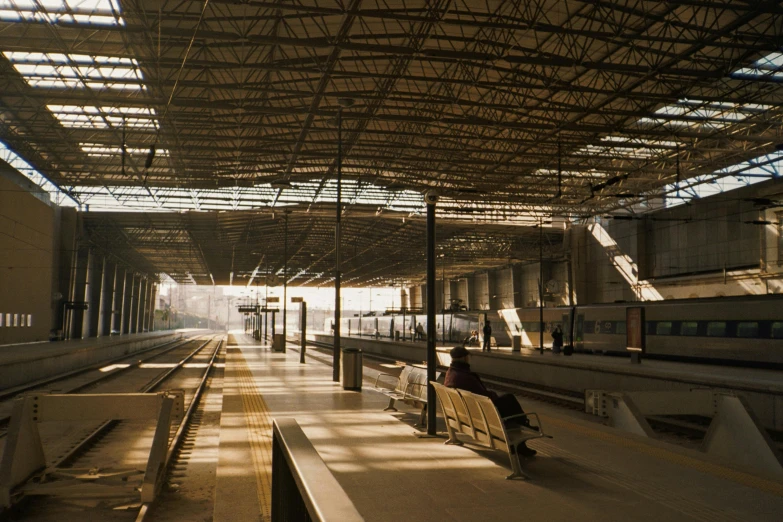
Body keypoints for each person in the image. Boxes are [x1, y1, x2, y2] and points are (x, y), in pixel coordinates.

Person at [444, 346, 538, 456]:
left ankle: (521, 433)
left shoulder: (451, 373)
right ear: (464, 358)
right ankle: (522, 430)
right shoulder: (465, 376)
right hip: (482, 415)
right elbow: (484, 396)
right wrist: (493, 395)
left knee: (509, 405)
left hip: (466, 414)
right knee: (509, 400)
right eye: (468, 357)